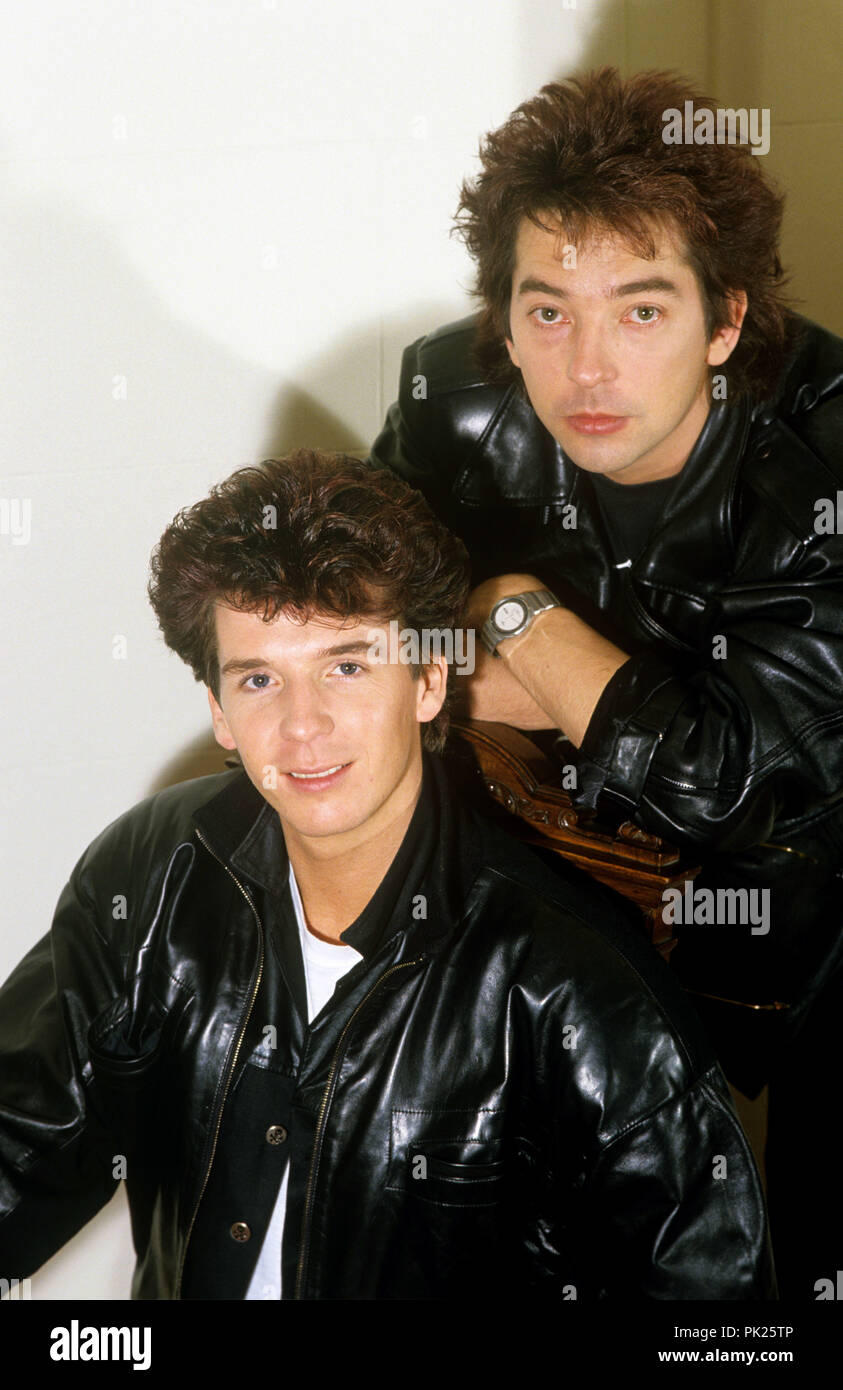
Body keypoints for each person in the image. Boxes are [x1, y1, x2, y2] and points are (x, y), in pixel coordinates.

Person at [0, 450, 772, 1300]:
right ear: (219, 712)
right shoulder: (152, 872)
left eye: (347, 666)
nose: (303, 727)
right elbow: (21, 1141)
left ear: (428, 681)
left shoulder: (580, 991)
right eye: (259, 679)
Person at [369, 68, 843, 1298]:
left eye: (641, 313)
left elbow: (739, 781)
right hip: (570, 903)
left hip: (811, 922)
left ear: (726, 320)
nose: (586, 368)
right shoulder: (451, 406)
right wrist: (621, 688)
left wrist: (515, 613)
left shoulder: (824, 445)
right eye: (547, 313)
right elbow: (371, 677)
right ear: (503, 318)